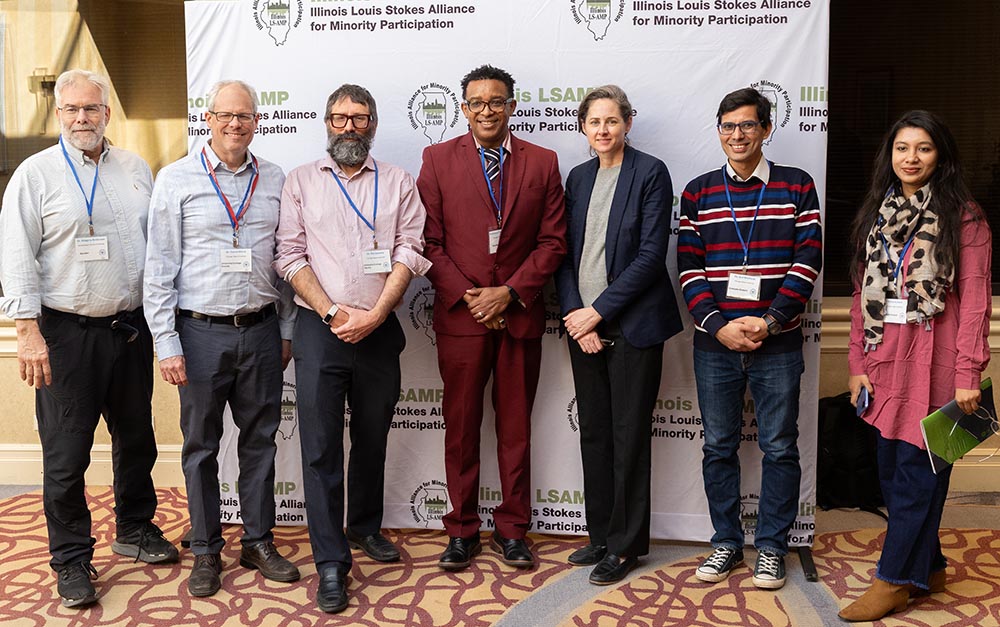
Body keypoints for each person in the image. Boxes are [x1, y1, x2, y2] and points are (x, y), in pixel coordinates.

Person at [0, 69, 177, 608]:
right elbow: (16, 256)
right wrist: (27, 332)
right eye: (72, 110)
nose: (83, 118)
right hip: (65, 336)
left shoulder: (136, 169)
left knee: (137, 439)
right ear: (59, 114)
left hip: (129, 329)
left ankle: (135, 529)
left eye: (92, 109)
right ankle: (72, 558)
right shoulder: (35, 175)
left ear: (107, 113)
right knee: (66, 453)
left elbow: (157, 248)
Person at [275, 84, 429, 614]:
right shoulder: (300, 182)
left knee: (371, 436)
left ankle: (364, 527)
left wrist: (377, 313)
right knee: (320, 448)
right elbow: (289, 255)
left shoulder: (399, 181)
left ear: (374, 124)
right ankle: (331, 562)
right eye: (340, 119)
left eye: (360, 119)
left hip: (380, 326)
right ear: (325, 122)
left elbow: (411, 248)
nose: (349, 128)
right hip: (323, 328)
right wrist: (333, 313)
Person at [144, 79, 300, 598]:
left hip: (259, 332)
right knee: (200, 447)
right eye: (225, 115)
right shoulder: (176, 179)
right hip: (198, 333)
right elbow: (159, 267)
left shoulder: (276, 179)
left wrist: (284, 330)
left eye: (245, 116)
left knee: (260, 443)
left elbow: (285, 263)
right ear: (207, 119)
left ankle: (257, 541)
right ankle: (207, 549)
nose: (235, 124)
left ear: (258, 120)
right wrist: (166, 342)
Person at [838, 111, 991, 622]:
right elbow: (863, 295)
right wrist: (857, 361)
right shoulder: (877, 214)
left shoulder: (964, 218)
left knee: (917, 475)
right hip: (886, 364)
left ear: (940, 156)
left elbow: (972, 302)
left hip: (940, 368)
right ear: (891, 155)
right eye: (902, 148)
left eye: (923, 148)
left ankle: (895, 580)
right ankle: (931, 565)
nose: (911, 158)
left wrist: (969, 373)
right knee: (892, 470)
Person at [417, 64, 566, 571]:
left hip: (519, 315)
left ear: (511, 106)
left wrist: (509, 293)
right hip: (461, 318)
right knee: (460, 428)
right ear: (463, 108)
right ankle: (461, 530)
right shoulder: (436, 160)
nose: (486, 110)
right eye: (476, 102)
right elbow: (429, 244)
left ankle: (512, 529)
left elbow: (553, 242)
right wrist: (471, 295)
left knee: (515, 429)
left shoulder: (543, 163)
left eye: (496, 101)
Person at [677, 87, 822, 590]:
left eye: (746, 125)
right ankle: (725, 542)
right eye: (727, 126)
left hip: (776, 342)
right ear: (718, 131)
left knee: (780, 446)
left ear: (765, 129)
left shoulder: (798, 186)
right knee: (718, 445)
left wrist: (771, 320)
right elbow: (689, 267)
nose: (736, 135)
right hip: (714, 344)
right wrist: (719, 325)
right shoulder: (697, 192)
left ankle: (773, 548)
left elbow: (808, 261)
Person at [554, 85, 683, 585]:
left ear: (628, 123)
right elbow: (563, 254)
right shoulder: (579, 177)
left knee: (628, 436)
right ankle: (601, 535)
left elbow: (651, 257)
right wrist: (574, 315)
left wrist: (597, 313)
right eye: (594, 121)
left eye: (613, 120)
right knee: (596, 434)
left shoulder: (650, 172)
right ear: (583, 128)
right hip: (581, 326)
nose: (603, 129)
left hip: (632, 327)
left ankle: (627, 546)